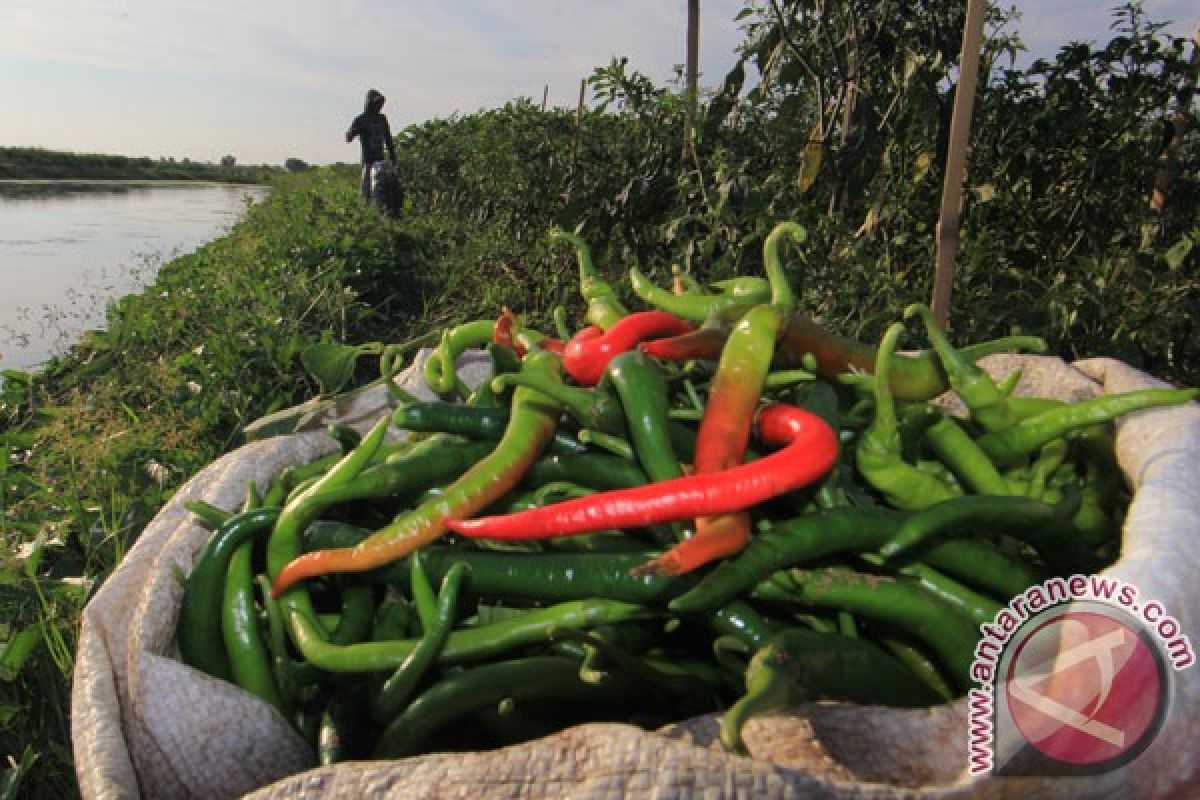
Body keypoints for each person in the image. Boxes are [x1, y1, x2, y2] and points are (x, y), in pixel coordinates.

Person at [346, 89, 398, 201]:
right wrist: (353, 132)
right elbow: (348, 137)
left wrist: (393, 156)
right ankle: (366, 209)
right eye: (376, 103)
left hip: (381, 161)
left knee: (381, 189)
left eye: (379, 103)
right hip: (368, 161)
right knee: (367, 188)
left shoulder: (382, 119)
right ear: (369, 103)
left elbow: (388, 138)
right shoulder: (360, 119)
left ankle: (380, 211)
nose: (378, 106)